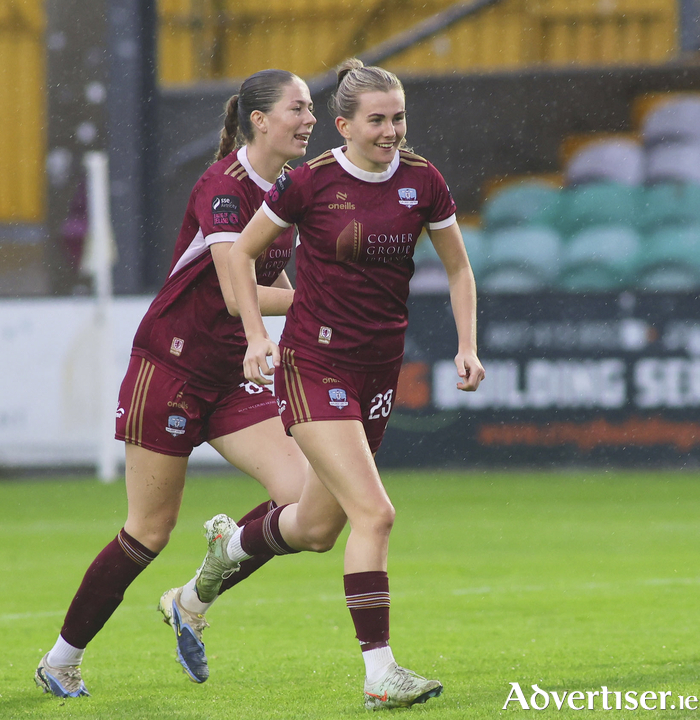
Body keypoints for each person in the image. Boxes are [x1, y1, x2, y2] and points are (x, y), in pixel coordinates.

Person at [34, 68, 346, 699]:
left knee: (313, 513)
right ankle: (60, 661)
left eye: (312, 108)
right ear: (259, 120)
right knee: (149, 530)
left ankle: (192, 595)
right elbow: (237, 288)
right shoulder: (223, 185)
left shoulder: (289, 187)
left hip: (235, 377)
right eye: (298, 108)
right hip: (170, 368)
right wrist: (309, 306)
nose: (309, 119)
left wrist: (317, 316)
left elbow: (278, 288)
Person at [194, 58, 485, 710]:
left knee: (317, 527)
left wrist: (467, 344)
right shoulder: (312, 183)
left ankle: (224, 552)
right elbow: (238, 253)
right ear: (344, 124)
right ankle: (379, 672)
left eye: (398, 118)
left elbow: (460, 271)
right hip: (312, 366)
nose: (390, 131)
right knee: (375, 514)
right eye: (377, 120)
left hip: (377, 371)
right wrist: (255, 337)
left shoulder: (423, 181)